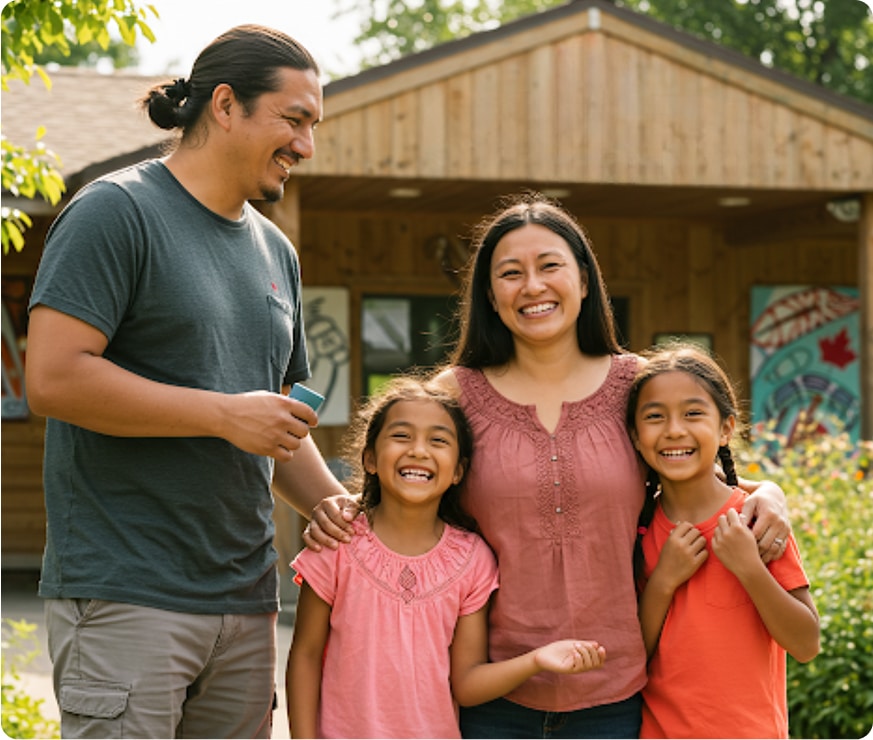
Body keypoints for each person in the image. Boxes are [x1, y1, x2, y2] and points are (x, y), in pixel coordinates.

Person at [304, 193, 792, 739]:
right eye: (510, 273)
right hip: (491, 693)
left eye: (550, 266)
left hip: (615, 694)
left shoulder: (636, 385)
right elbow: (403, 485)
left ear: (585, 280)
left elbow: (693, 472)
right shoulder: (454, 395)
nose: (532, 286)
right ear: (491, 295)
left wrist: (768, 491)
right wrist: (344, 507)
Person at [25, 25, 347, 739]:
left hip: (245, 603)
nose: (306, 145)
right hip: (126, 597)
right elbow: (52, 377)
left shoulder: (275, 250)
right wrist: (224, 415)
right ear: (226, 105)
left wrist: (337, 507)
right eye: (294, 120)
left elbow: (277, 422)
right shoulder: (117, 212)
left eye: (313, 126)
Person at [286, 376, 607, 739]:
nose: (419, 451)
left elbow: (466, 684)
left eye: (438, 440)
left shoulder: (473, 561)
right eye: (401, 436)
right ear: (371, 459)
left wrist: (536, 660)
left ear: (458, 471)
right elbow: (306, 656)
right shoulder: (338, 541)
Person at [627, 343, 819, 738]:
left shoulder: (758, 521)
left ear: (726, 428)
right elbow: (632, 659)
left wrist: (749, 568)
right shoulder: (637, 528)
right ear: (634, 434)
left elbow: (806, 643)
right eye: (655, 416)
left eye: (693, 413)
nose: (674, 430)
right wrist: (663, 581)